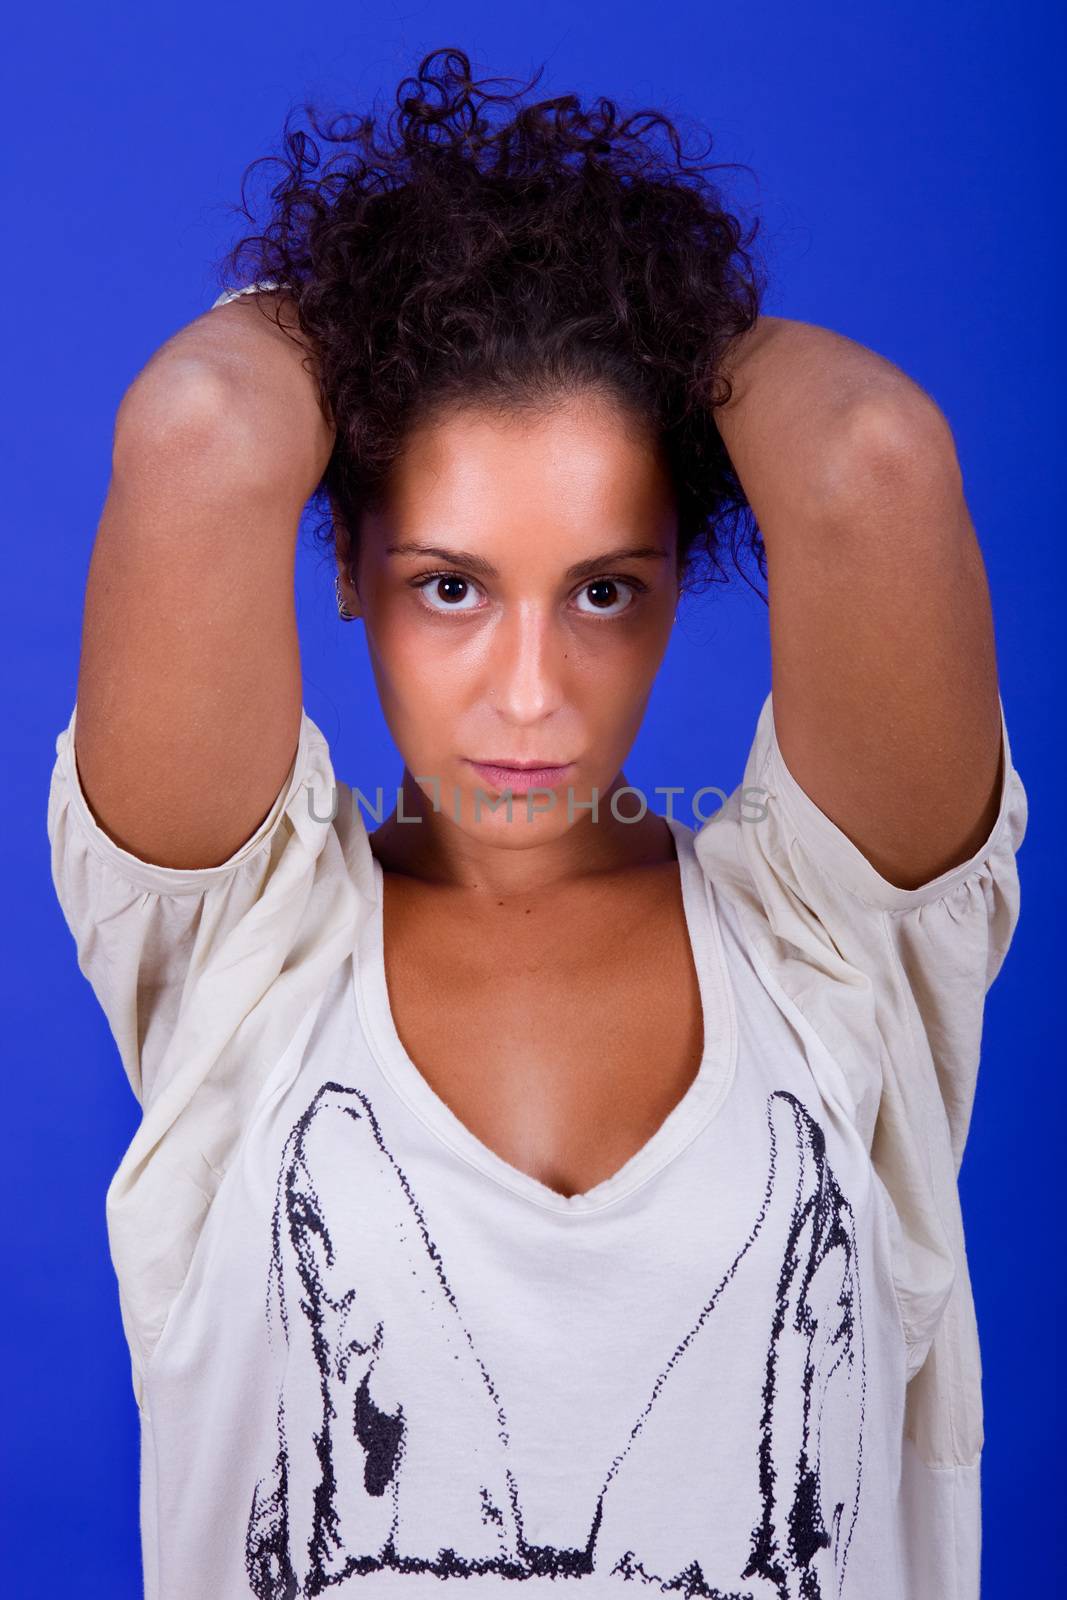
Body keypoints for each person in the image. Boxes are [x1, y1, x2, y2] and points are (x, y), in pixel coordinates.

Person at [46, 45, 1027, 1600]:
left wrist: (624, 310)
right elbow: (200, 431)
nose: (528, 697)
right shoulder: (245, 961)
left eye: (601, 590)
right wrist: (419, 294)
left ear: (673, 586)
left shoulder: (831, 950)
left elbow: (870, 460)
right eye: (450, 585)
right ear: (350, 570)